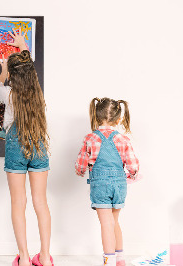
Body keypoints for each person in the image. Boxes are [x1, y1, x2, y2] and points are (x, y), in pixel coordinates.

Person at [0, 28, 53, 266]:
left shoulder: (8, 94)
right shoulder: (37, 93)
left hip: (16, 148)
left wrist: (4, 70)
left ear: (13, 77)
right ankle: (45, 257)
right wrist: (23, 46)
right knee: (41, 202)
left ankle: (25, 258)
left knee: (19, 203)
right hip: (38, 146)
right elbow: (29, 70)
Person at [75, 98, 140, 266]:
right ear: (118, 120)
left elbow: (80, 164)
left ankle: (109, 261)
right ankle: (120, 260)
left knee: (106, 224)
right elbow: (133, 165)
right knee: (114, 222)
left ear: (96, 117)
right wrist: (132, 176)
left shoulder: (90, 138)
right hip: (119, 185)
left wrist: (80, 171)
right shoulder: (123, 139)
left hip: (100, 186)